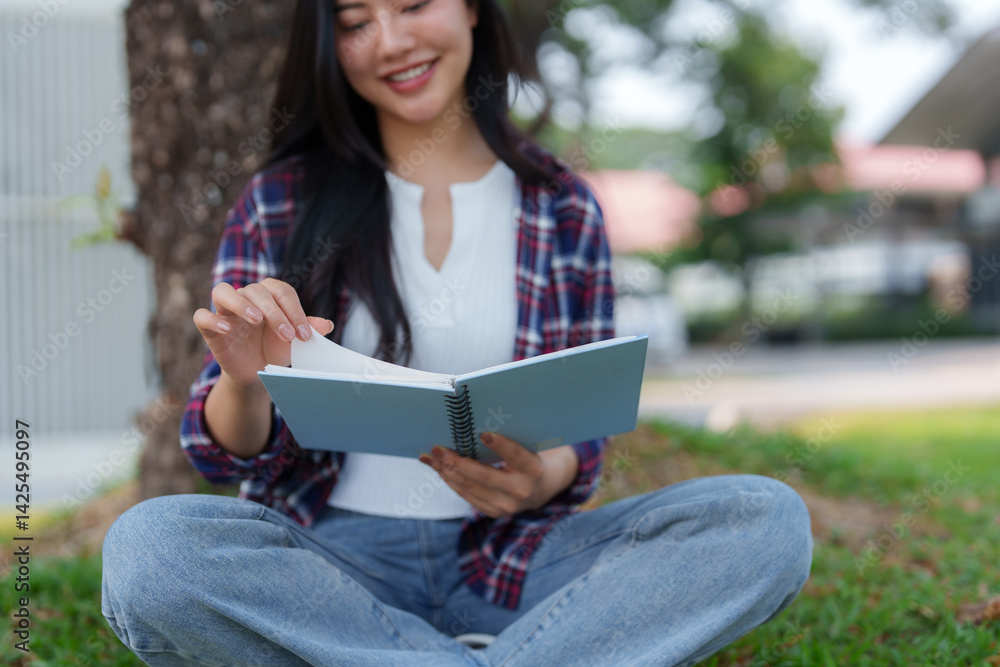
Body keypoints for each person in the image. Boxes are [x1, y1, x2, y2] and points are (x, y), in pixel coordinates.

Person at [100, 0, 814, 665]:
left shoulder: (561, 208)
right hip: (330, 571)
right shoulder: (283, 200)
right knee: (150, 553)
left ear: (471, 6)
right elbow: (221, 455)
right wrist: (243, 379)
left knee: (766, 522)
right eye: (355, 21)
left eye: (413, 5)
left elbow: (585, 435)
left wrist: (542, 478)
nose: (391, 41)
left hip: (514, 564)